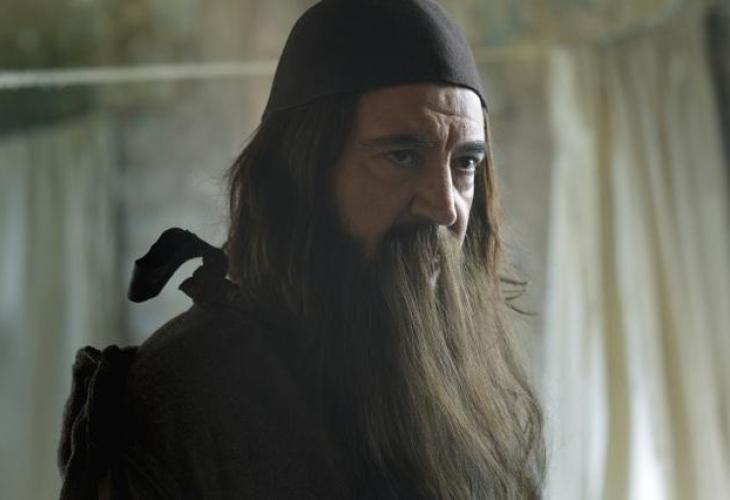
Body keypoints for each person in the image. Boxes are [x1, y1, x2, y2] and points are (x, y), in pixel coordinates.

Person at [57, 0, 545, 498]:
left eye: (464, 164)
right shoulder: (185, 393)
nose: (445, 207)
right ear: (304, 176)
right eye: (401, 156)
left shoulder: (464, 386)